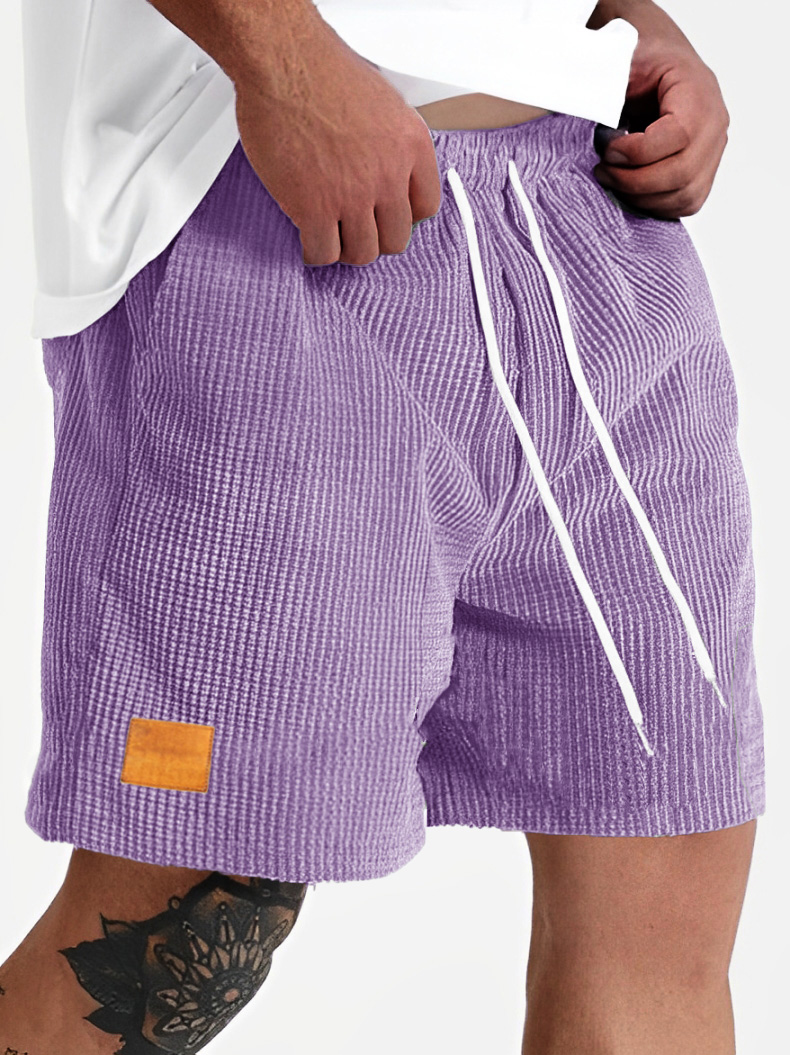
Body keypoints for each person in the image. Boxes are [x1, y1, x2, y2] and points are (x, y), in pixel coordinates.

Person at [1, 1, 765, 1052]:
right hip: (269, 204)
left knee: (662, 883)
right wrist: (287, 63)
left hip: (596, 214)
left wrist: (628, 19)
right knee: (186, 918)